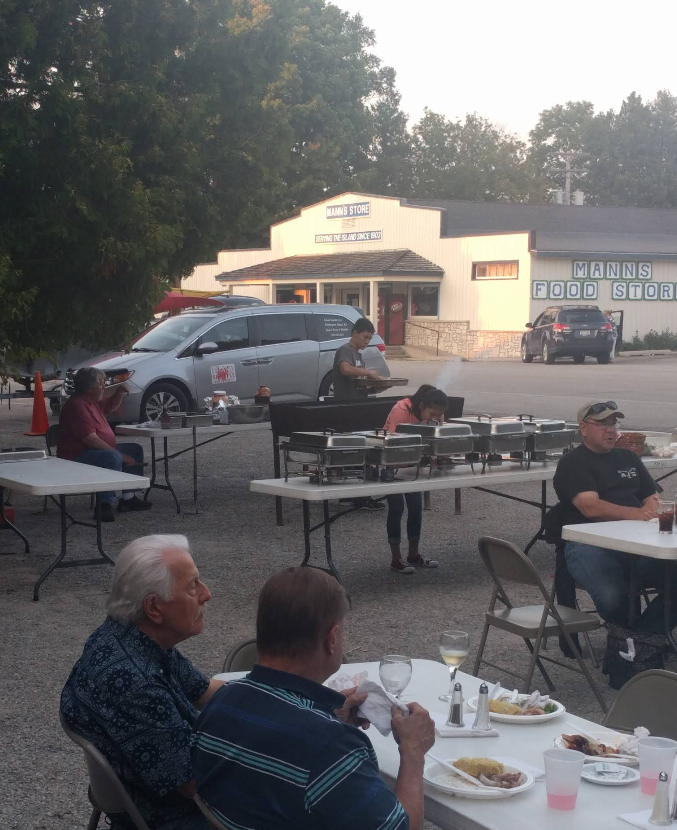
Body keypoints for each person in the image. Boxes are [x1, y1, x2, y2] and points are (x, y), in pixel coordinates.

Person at [193, 567, 435, 830]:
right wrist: (413, 752)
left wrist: (328, 718)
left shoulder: (220, 703)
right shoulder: (332, 747)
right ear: (331, 640)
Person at [61, 535, 221, 830]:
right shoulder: (135, 682)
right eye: (192, 587)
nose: (206, 594)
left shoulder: (130, 634)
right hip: (171, 815)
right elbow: (194, 785)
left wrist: (286, 701)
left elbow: (204, 691)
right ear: (154, 608)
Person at [553, 401, 677, 634]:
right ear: (583, 428)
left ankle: (644, 638)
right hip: (589, 545)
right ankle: (638, 643)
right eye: (602, 424)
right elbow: (591, 507)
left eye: (613, 423)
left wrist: (657, 509)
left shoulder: (628, 458)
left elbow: (651, 498)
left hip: (637, 544)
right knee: (614, 598)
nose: (610, 429)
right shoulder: (573, 463)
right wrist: (639, 514)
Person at [58, 366, 151, 521]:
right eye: (101, 383)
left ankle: (128, 499)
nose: (104, 386)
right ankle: (103, 505)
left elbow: (111, 407)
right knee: (111, 457)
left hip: (92, 451)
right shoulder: (77, 406)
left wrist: (119, 392)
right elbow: (91, 439)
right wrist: (120, 455)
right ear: (89, 389)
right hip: (75, 457)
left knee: (134, 449)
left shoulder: (92, 401)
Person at [384, 385, 449, 573]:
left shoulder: (436, 415)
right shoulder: (400, 411)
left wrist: (437, 459)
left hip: (414, 466)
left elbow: (436, 439)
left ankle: (413, 555)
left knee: (416, 507)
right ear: (421, 405)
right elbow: (391, 442)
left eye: (439, 415)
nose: (435, 418)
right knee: (396, 508)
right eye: (432, 413)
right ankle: (396, 559)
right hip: (392, 464)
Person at [332, 317, 381, 401]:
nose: (367, 342)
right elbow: (345, 369)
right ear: (355, 333)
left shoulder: (358, 355)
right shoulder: (345, 350)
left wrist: (378, 387)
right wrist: (368, 372)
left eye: (369, 339)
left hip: (358, 401)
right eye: (365, 337)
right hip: (345, 403)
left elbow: (360, 385)